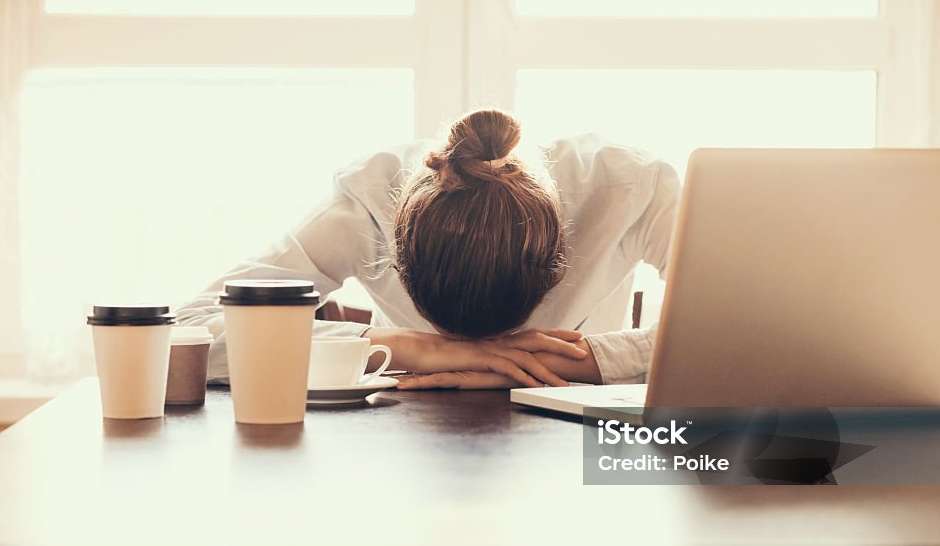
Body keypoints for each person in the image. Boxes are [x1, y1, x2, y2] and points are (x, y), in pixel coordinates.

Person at [176, 109, 677, 388]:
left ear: (557, 260)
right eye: (456, 337)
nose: (482, 352)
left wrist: (584, 361)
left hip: (583, 442)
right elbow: (183, 335)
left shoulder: (630, 184)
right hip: (413, 429)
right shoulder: (372, 196)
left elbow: (747, 335)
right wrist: (410, 347)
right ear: (395, 251)